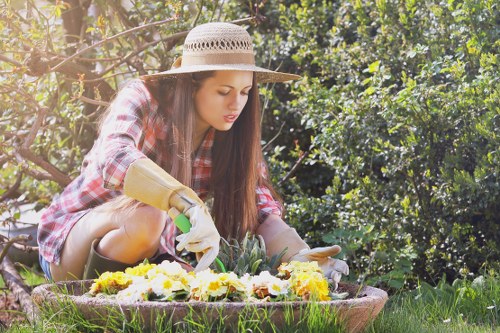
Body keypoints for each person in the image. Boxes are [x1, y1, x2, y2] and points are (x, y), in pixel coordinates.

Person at [37, 22, 348, 286]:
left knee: (204, 285)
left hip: (149, 250)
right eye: (224, 92)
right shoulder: (143, 98)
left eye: (244, 92)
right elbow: (114, 159)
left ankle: (128, 304)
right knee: (149, 217)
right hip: (72, 239)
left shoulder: (232, 135)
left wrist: (300, 257)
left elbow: (260, 209)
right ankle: (92, 312)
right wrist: (183, 201)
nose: (235, 106)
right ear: (190, 84)